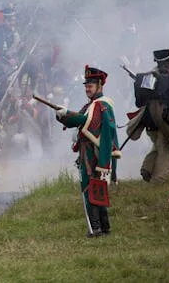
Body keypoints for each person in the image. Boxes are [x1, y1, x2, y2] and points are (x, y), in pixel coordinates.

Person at [56, 66, 120, 237]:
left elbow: (87, 123)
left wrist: (67, 113)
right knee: (95, 189)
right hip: (90, 152)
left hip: (96, 154)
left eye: (90, 85)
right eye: (86, 85)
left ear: (99, 85)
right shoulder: (92, 105)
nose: (87, 88)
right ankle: (103, 227)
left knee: (90, 189)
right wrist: (63, 115)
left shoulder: (101, 105)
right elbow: (80, 120)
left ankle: (97, 229)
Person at [125, 49, 169, 183]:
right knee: (168, 148)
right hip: (165, 121)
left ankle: (148, 168)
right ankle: (158, 181)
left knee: (158, 144)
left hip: (149, 122)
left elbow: (139, 101)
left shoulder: (146, 78)